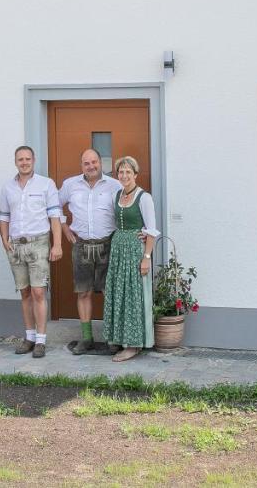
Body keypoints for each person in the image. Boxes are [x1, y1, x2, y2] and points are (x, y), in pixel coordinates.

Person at [0, 145, 62, 358]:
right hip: (16, 245)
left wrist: (57, 244)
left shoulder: (46, 184)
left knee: (38, 292)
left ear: (33, 160)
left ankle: (41, 340)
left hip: (39, 243)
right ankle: (29, 337)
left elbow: (55, 217)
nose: (24, 162)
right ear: (15, 161)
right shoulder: (8, 187)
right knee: (24, 292)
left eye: (27, 159)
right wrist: (4, 240)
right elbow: (4, 216)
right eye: (20, 159)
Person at [59, 148, 119, 354]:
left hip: (107, 244)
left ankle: (112, 337)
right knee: (83, 292)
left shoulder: (114, 185)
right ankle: (86, 338)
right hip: (81, 245)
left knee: (108, 292)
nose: (91, 166)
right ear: (81, 165)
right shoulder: (70, 185)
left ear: (101, 163)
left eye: (94, 162)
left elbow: (124, 211)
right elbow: (54, 206)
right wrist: (64, 227)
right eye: (86, 163)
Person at [102, 155, 158, 362]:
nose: (124, 175)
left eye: (128, 172)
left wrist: (146, 257)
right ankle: (120, 339)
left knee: (133, 295)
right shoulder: (117, 195)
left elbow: (151, 231)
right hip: (118, 249)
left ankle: (133, 345)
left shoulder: (144, 197)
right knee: (119, 293)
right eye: (121, 172)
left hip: (135, 250)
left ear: (135, 174)